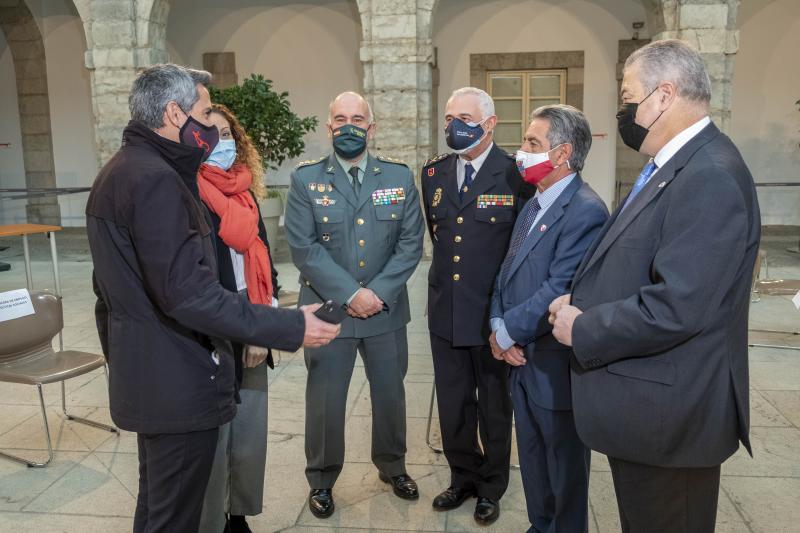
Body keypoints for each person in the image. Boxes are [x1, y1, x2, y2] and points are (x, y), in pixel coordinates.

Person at [86, 64, 340, 533]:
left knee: (159, 511)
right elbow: (189, 295)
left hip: (151, 377)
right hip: (177, 381)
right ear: (172, 112)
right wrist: (289, 326)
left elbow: (107, 293)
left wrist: (127, 361)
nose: (208, 126)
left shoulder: (120, 171)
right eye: (203, 113)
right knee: (176, 518)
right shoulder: (157, 180)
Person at [549, 40, 760, 532]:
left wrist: (584, 326)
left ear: (663, 96)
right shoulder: (674, 166)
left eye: (628, 96)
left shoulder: (710, 174)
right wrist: (578, 299)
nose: (622, 109)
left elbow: (680, 306)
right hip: (652, 411)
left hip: (673, 418)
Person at [284, 91, 425, 519]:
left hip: (385, 310)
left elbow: (410, 244)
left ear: (371, 127)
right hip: (329, 313)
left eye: (358, 118)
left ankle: (393, 466)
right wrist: (351, 294)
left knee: (390, 395)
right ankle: (322, 478)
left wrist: (376, 293)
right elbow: (304, 248)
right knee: (325, 399)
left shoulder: (398, 178)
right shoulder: (306, 180)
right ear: (328, 128)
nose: (349, 126)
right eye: (340, 119)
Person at [489, 104, 608, 533]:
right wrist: (497, 323)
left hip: (555, 368)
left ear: (561, 154)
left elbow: (557, 290)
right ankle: (540, 526)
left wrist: (506, 331)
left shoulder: (586, 211)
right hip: (522, 359)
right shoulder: (534, 202)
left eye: (531, 143)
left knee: (564, 472)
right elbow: (507, 275)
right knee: (535, 464)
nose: (521, 151)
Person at [421, 87, 528, 525]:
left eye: (463, 117)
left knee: (494, 405)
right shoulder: (433, 173)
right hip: (446, 308)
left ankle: (491, 485)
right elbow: (440, 237)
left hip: (491, 314)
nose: (453, 126)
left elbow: (522, 249)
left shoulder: (515, 174)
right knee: (453, 402)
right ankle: (461, 476)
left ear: (489, 124)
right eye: (448, 118)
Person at [196, 103, 279, 533]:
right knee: (216, 435)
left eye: (228, 134)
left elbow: (266, 255)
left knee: (249, 429)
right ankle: (212, 516)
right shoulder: (188, 193)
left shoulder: (245, 192)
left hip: (253, 317)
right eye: (212, 133)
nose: (222, 142)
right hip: (212, 327)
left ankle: (239, 514)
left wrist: (262, 325)